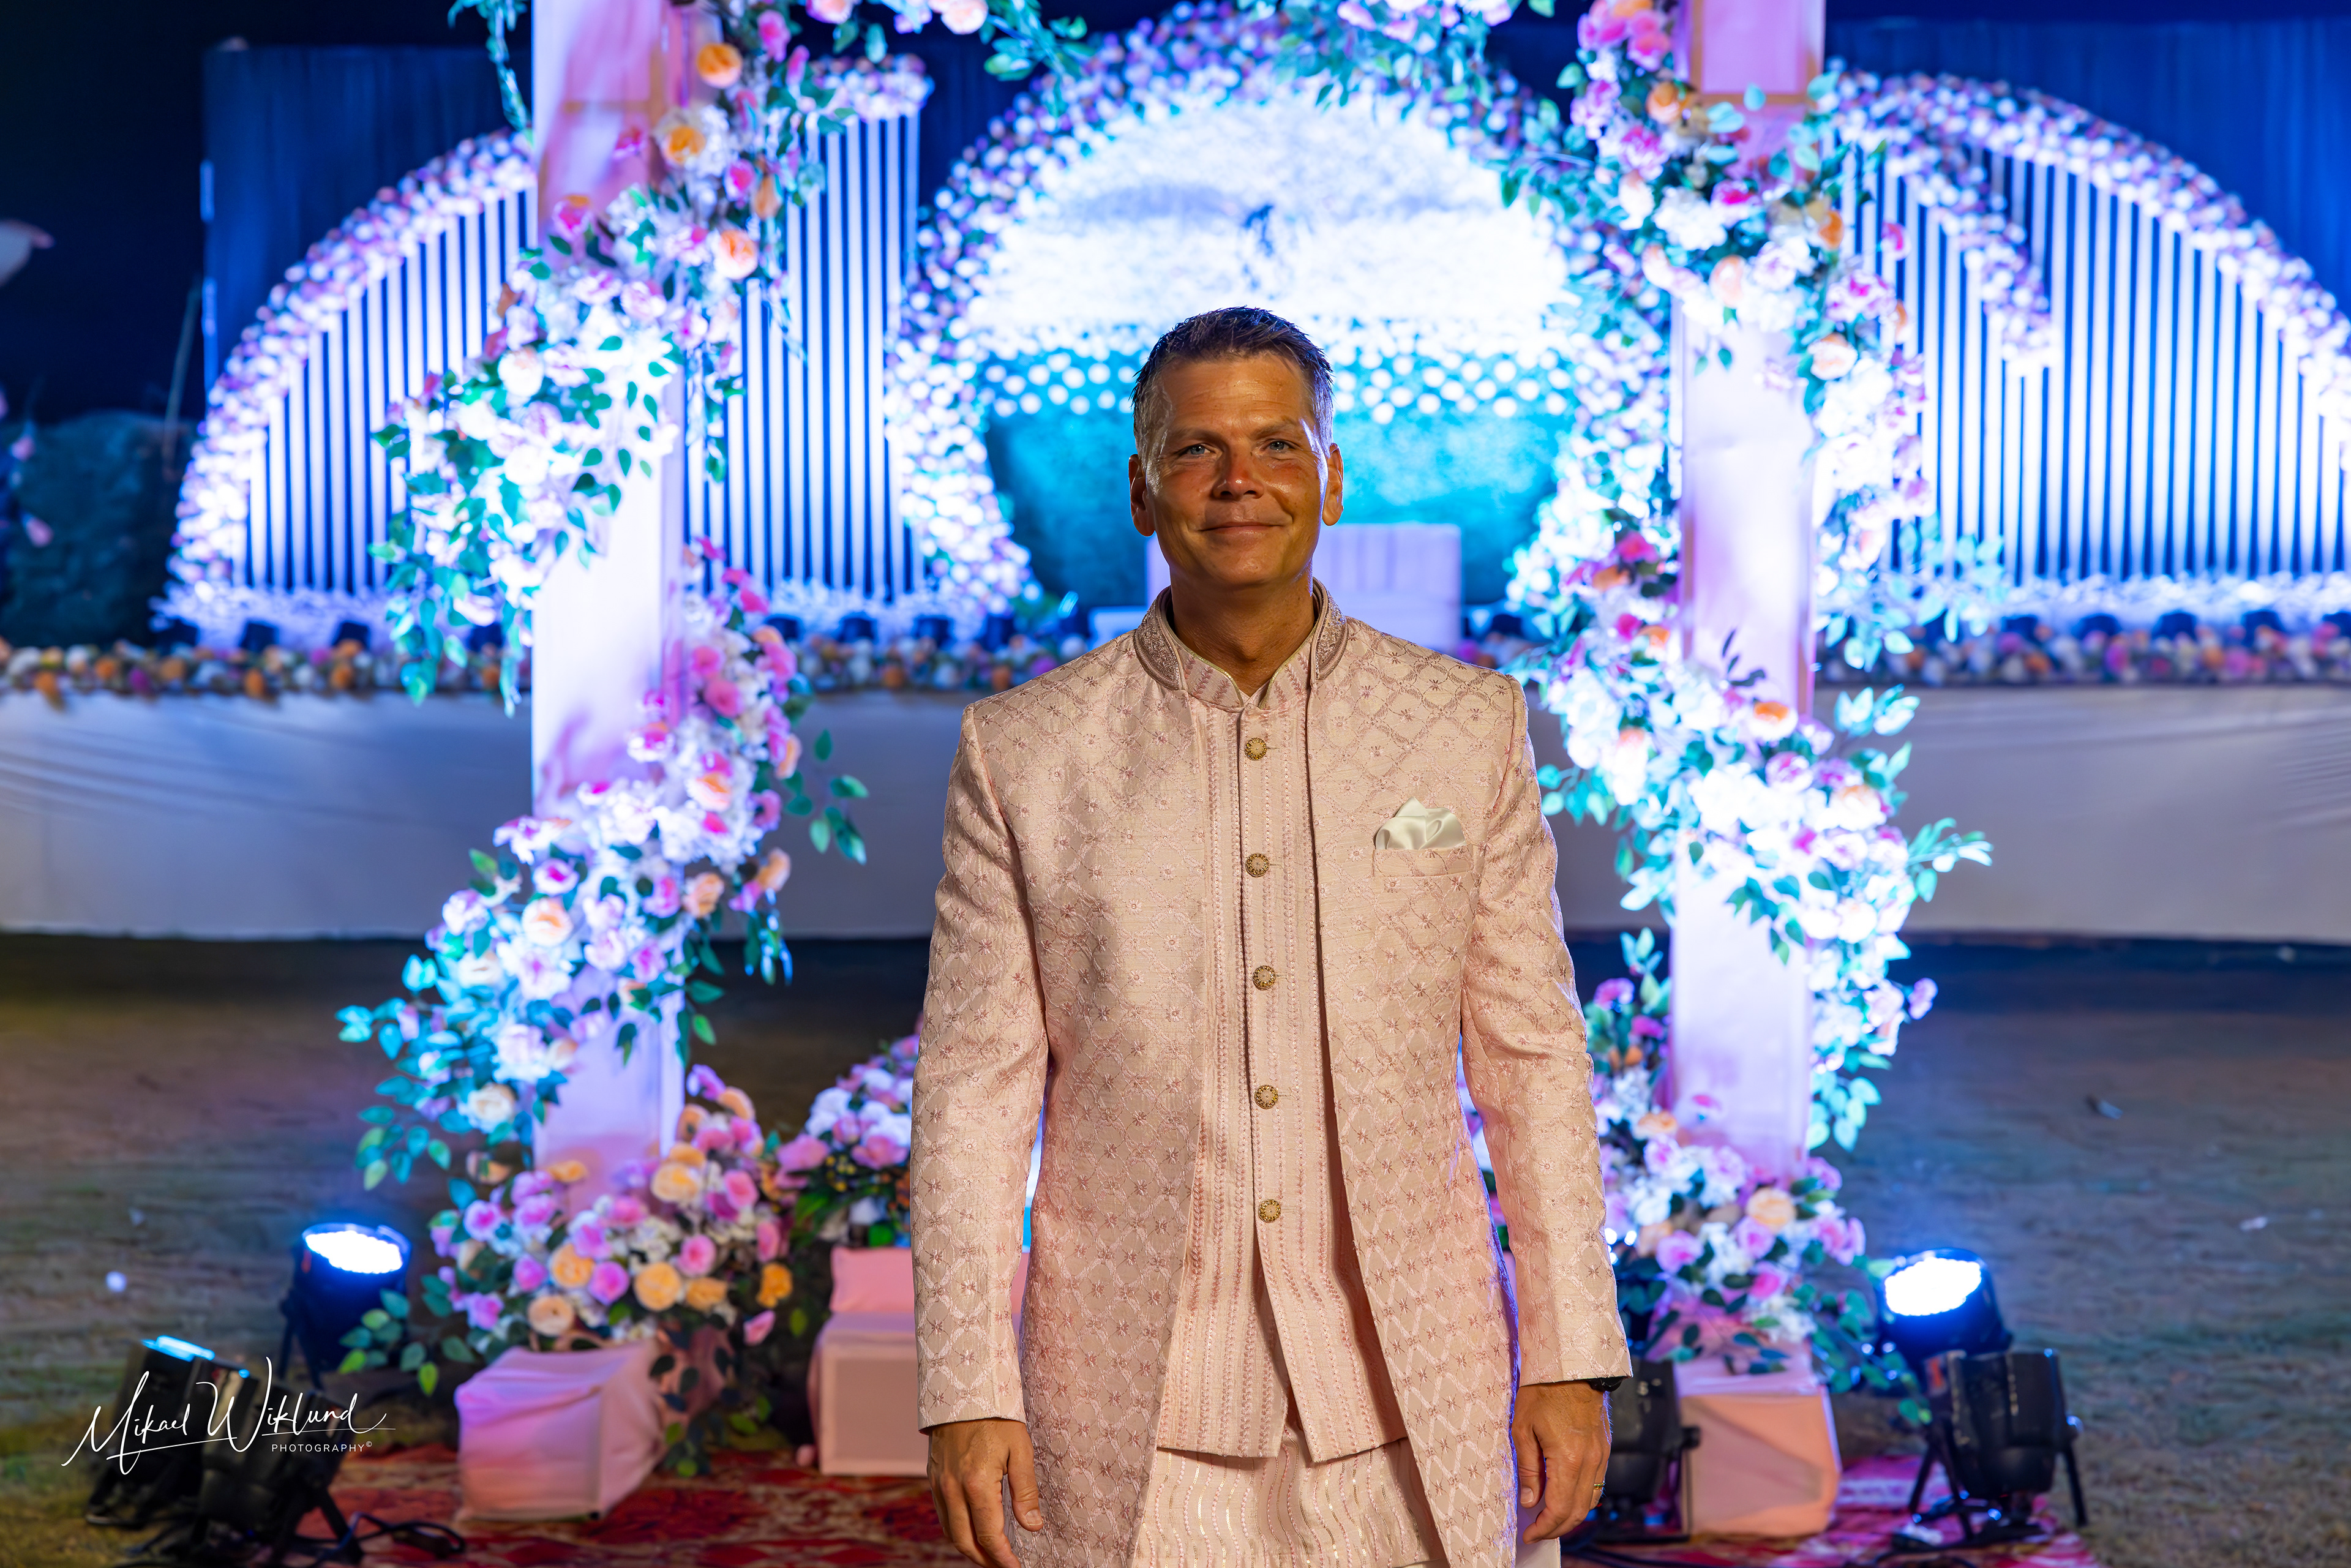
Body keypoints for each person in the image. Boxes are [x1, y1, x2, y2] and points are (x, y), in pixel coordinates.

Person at [912, 306, 1629, 1568]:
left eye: (1277, 444)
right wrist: (968, 1385)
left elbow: (1532, 1057)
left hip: (1414, 1386)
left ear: (1330, 479)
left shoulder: (1462, 727)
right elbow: (974, 1091)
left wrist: (1569, 1354)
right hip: (1131, 1400)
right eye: (1197, 450)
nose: (1238, 480)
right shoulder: (1028, 753)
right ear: (1143, 491)